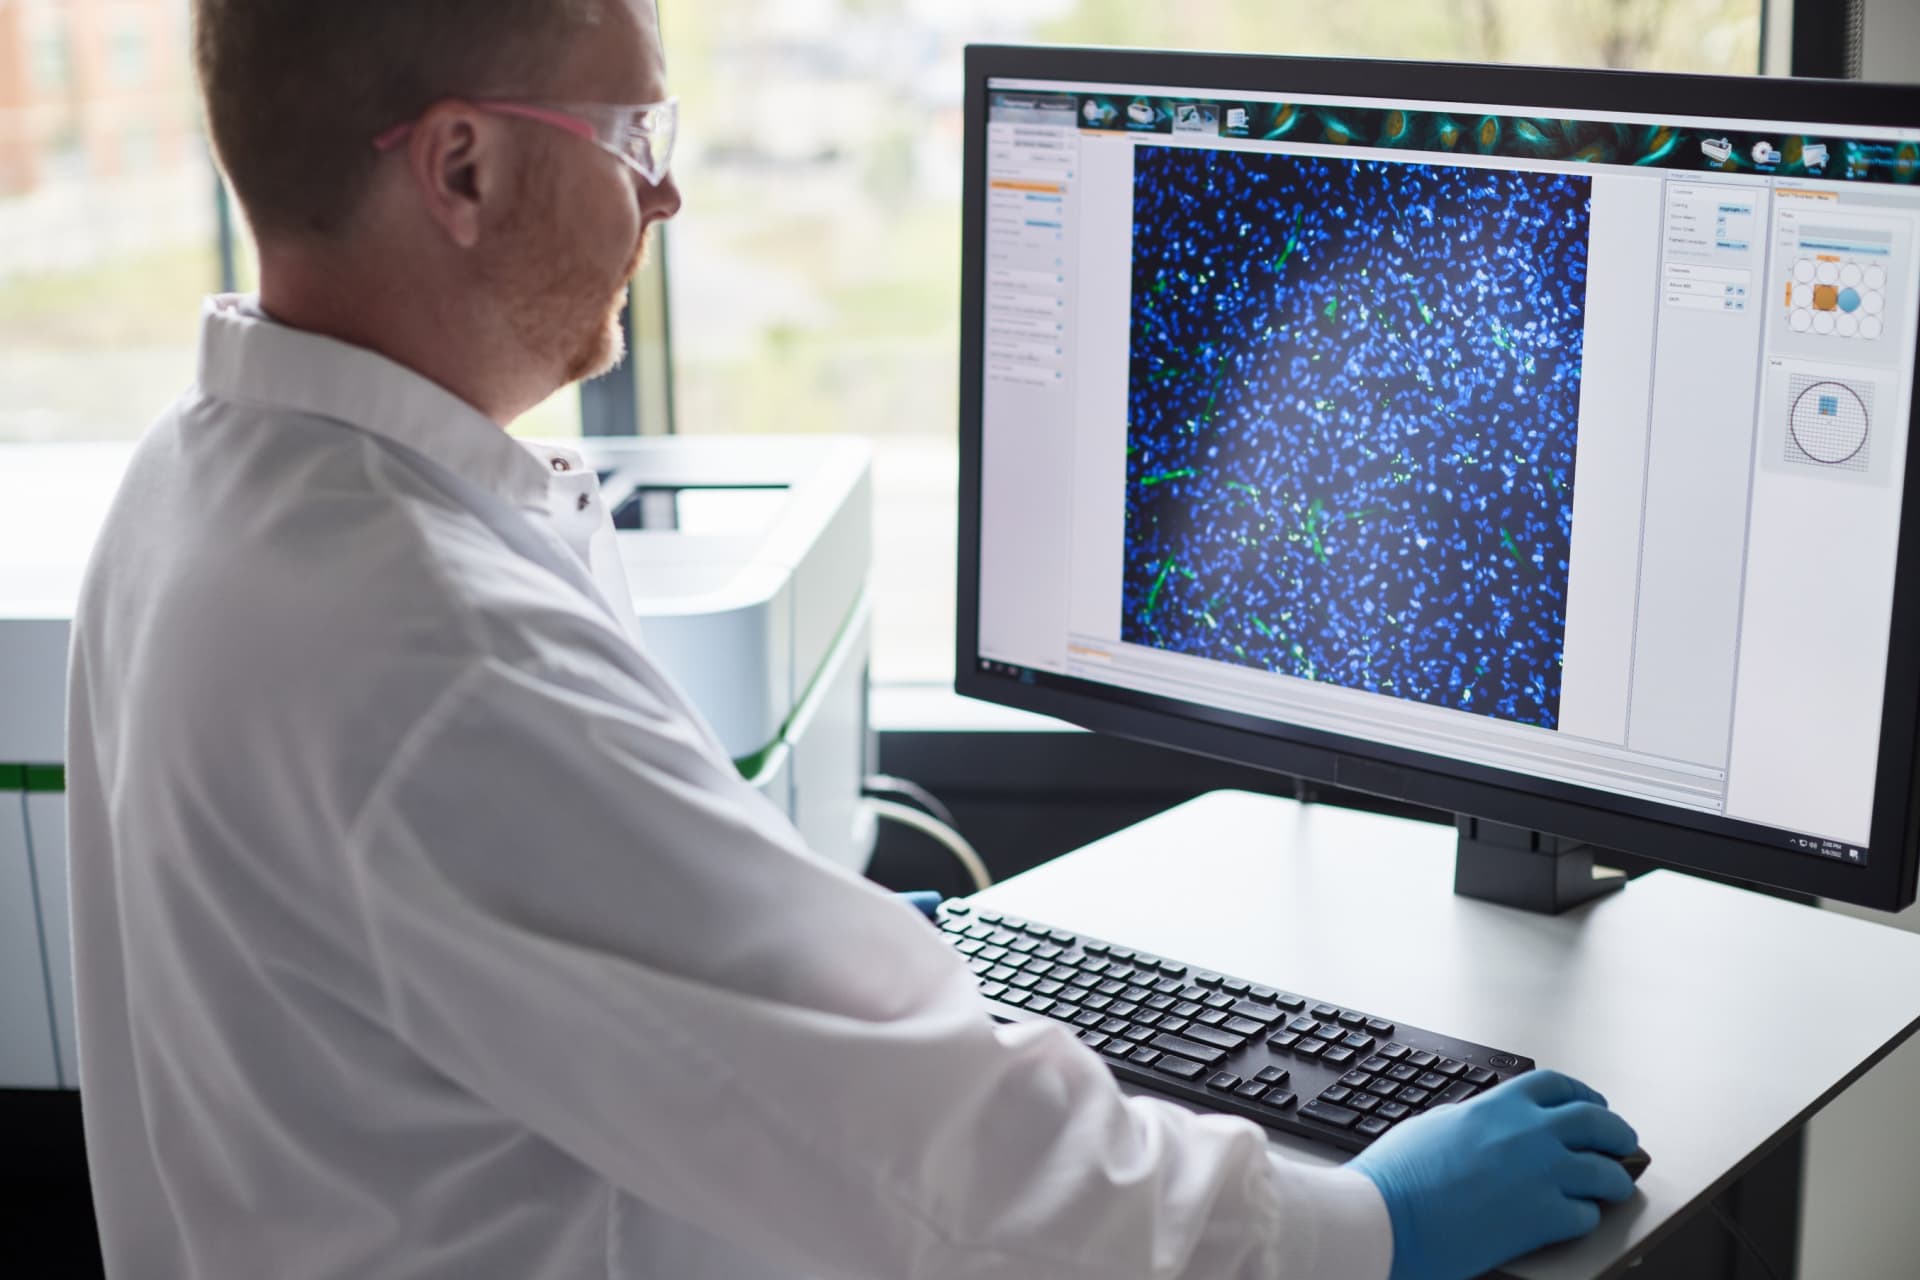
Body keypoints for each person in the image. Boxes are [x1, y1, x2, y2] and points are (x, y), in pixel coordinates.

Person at [65, 3, 1641, 1277]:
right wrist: (1364, 1228)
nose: (666, 196)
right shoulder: (431, 654)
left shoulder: (200, 482)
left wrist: (803, 956)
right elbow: (937, 1176)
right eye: (633, 137)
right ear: (462, 171)